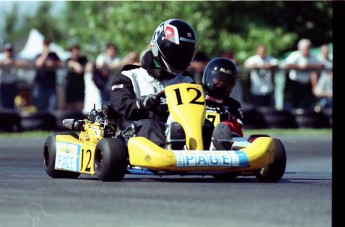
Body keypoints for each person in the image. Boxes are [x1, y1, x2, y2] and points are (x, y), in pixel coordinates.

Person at [109, 18, 197, 147]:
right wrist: (142, 103)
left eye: (185, 55)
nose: (180, 59)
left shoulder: (186, 81)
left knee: (207, 125)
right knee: (150, 125)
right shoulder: (131, 76)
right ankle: (169, 155)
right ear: (158, 47)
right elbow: (121, 106)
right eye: (175, 53)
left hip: (179, 132)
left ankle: (218, 152)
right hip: (136, 137)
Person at [201, 57, 244, 150]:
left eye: (225, 81)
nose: (220, 83)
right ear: (209, 78)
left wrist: (225, 117)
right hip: (198, 139)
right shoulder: (198, 99)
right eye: (217, 79)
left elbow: (238, 129)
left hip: (226, 144)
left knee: (223, 128)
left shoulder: (233, 105)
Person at [283, 38, 324, 109]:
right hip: (296, 83)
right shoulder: (295, 55)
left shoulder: (312, 56)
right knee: (295, 104)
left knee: (308, 104)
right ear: (300, 48)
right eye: (305, 48)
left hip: (307, 84)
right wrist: (299, 67)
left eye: (308, 48)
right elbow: (286, 65)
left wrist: (308, 67)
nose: (307, 50)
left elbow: (321, 65)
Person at [33, 38, 62, 112]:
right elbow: (39, 64)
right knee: (40, 109)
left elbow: (60, 64)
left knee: (52, 109)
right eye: (46, 44)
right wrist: (45, 54)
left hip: (51, 86)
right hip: (41, 86)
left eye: (48, 44)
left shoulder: (54, 55)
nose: (47, 46)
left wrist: (52, 63)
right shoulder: (38, 55)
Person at [0, 43, 29, 110]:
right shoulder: (2, 56)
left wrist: (13, 62)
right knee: (4, 104)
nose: (9, 52)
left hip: (13, 84)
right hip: (4, 84)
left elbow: (25, 63)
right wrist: (5, 63)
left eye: (10, 50)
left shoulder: (16, 57)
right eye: (8, 50)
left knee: (14, 103)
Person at [64, 44, 88, 112]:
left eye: (77, 50)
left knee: (79, 110)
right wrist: (75, 64)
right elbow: (69, 63)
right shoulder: (68, 60)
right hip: (70, 89)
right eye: (74, 51)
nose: (76, 52)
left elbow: (87, 66)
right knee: (69, 111)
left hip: (80, 89)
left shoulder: (83, 60)